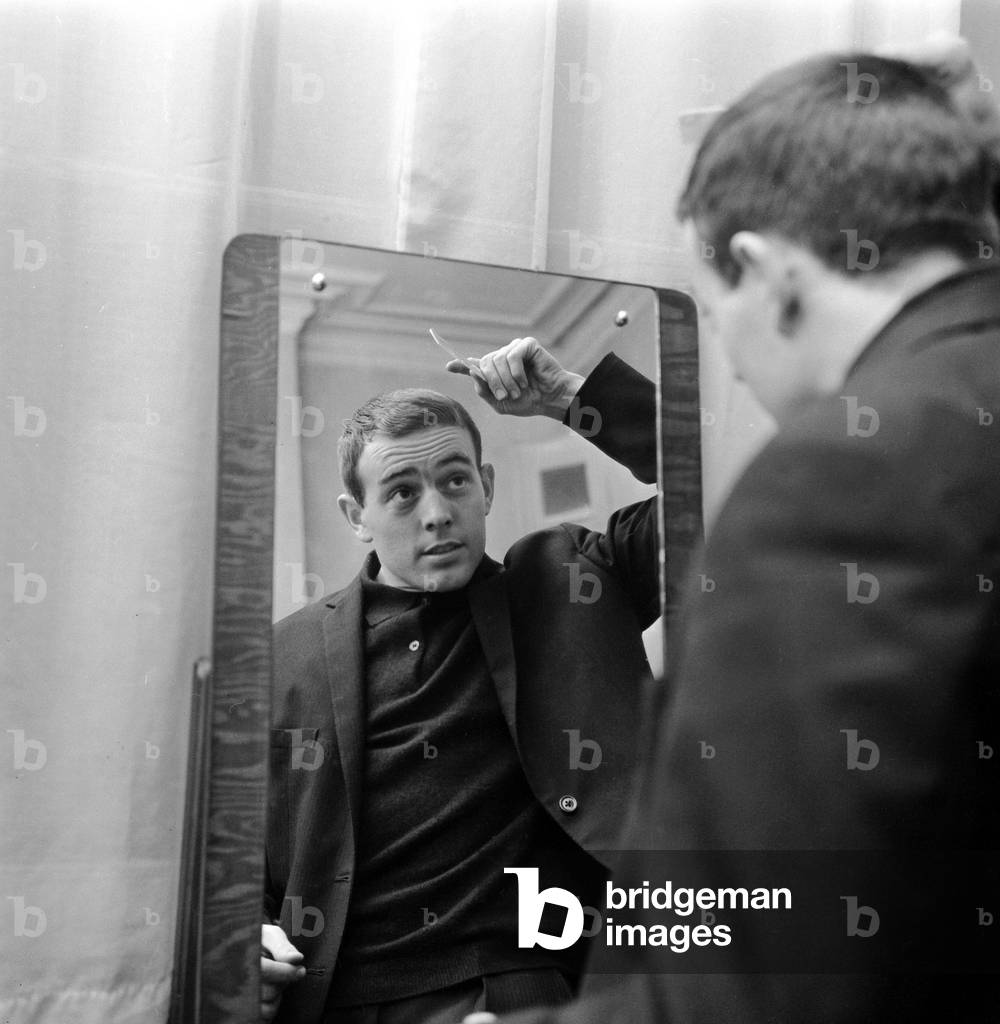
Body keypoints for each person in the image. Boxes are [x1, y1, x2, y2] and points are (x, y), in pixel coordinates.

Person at [478, 47, 1000, 1024]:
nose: (742, 376)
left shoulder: (848, 476)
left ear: (767, 273)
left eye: (717, 319)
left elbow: (754, 990)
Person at [259, 337, 663, 1022]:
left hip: (527, 984)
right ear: (356, 517)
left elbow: (735, 480)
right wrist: (245, 932)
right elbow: (237, 855)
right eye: (402, 493)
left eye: (454, 480)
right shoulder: (283, 655)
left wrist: (573, 399)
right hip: (333, 999)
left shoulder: (572, 580)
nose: (437, 511)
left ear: (487, 487)